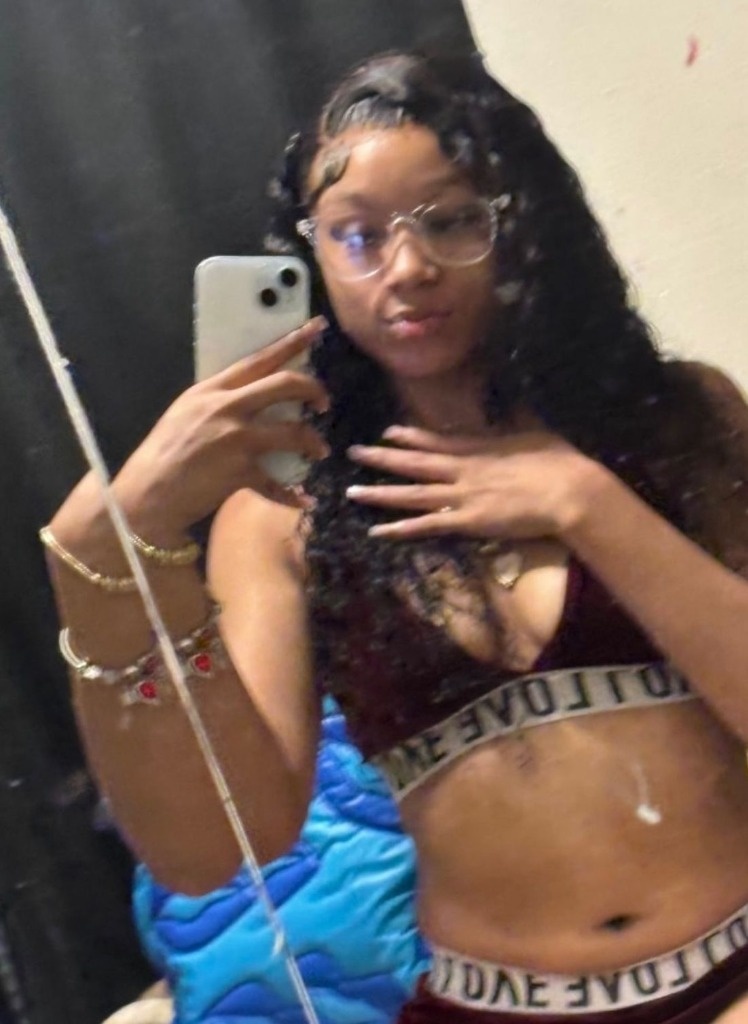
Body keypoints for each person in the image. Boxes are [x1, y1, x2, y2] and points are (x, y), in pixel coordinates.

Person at [42, 50, 748, 1023]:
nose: (408, 268)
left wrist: (588, 501)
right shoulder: (282, 514)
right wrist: (105, 563)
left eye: (451, 219)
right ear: (315, 257)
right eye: (358, 234)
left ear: (524, 222)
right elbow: (212, 849)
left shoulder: (680, 420)